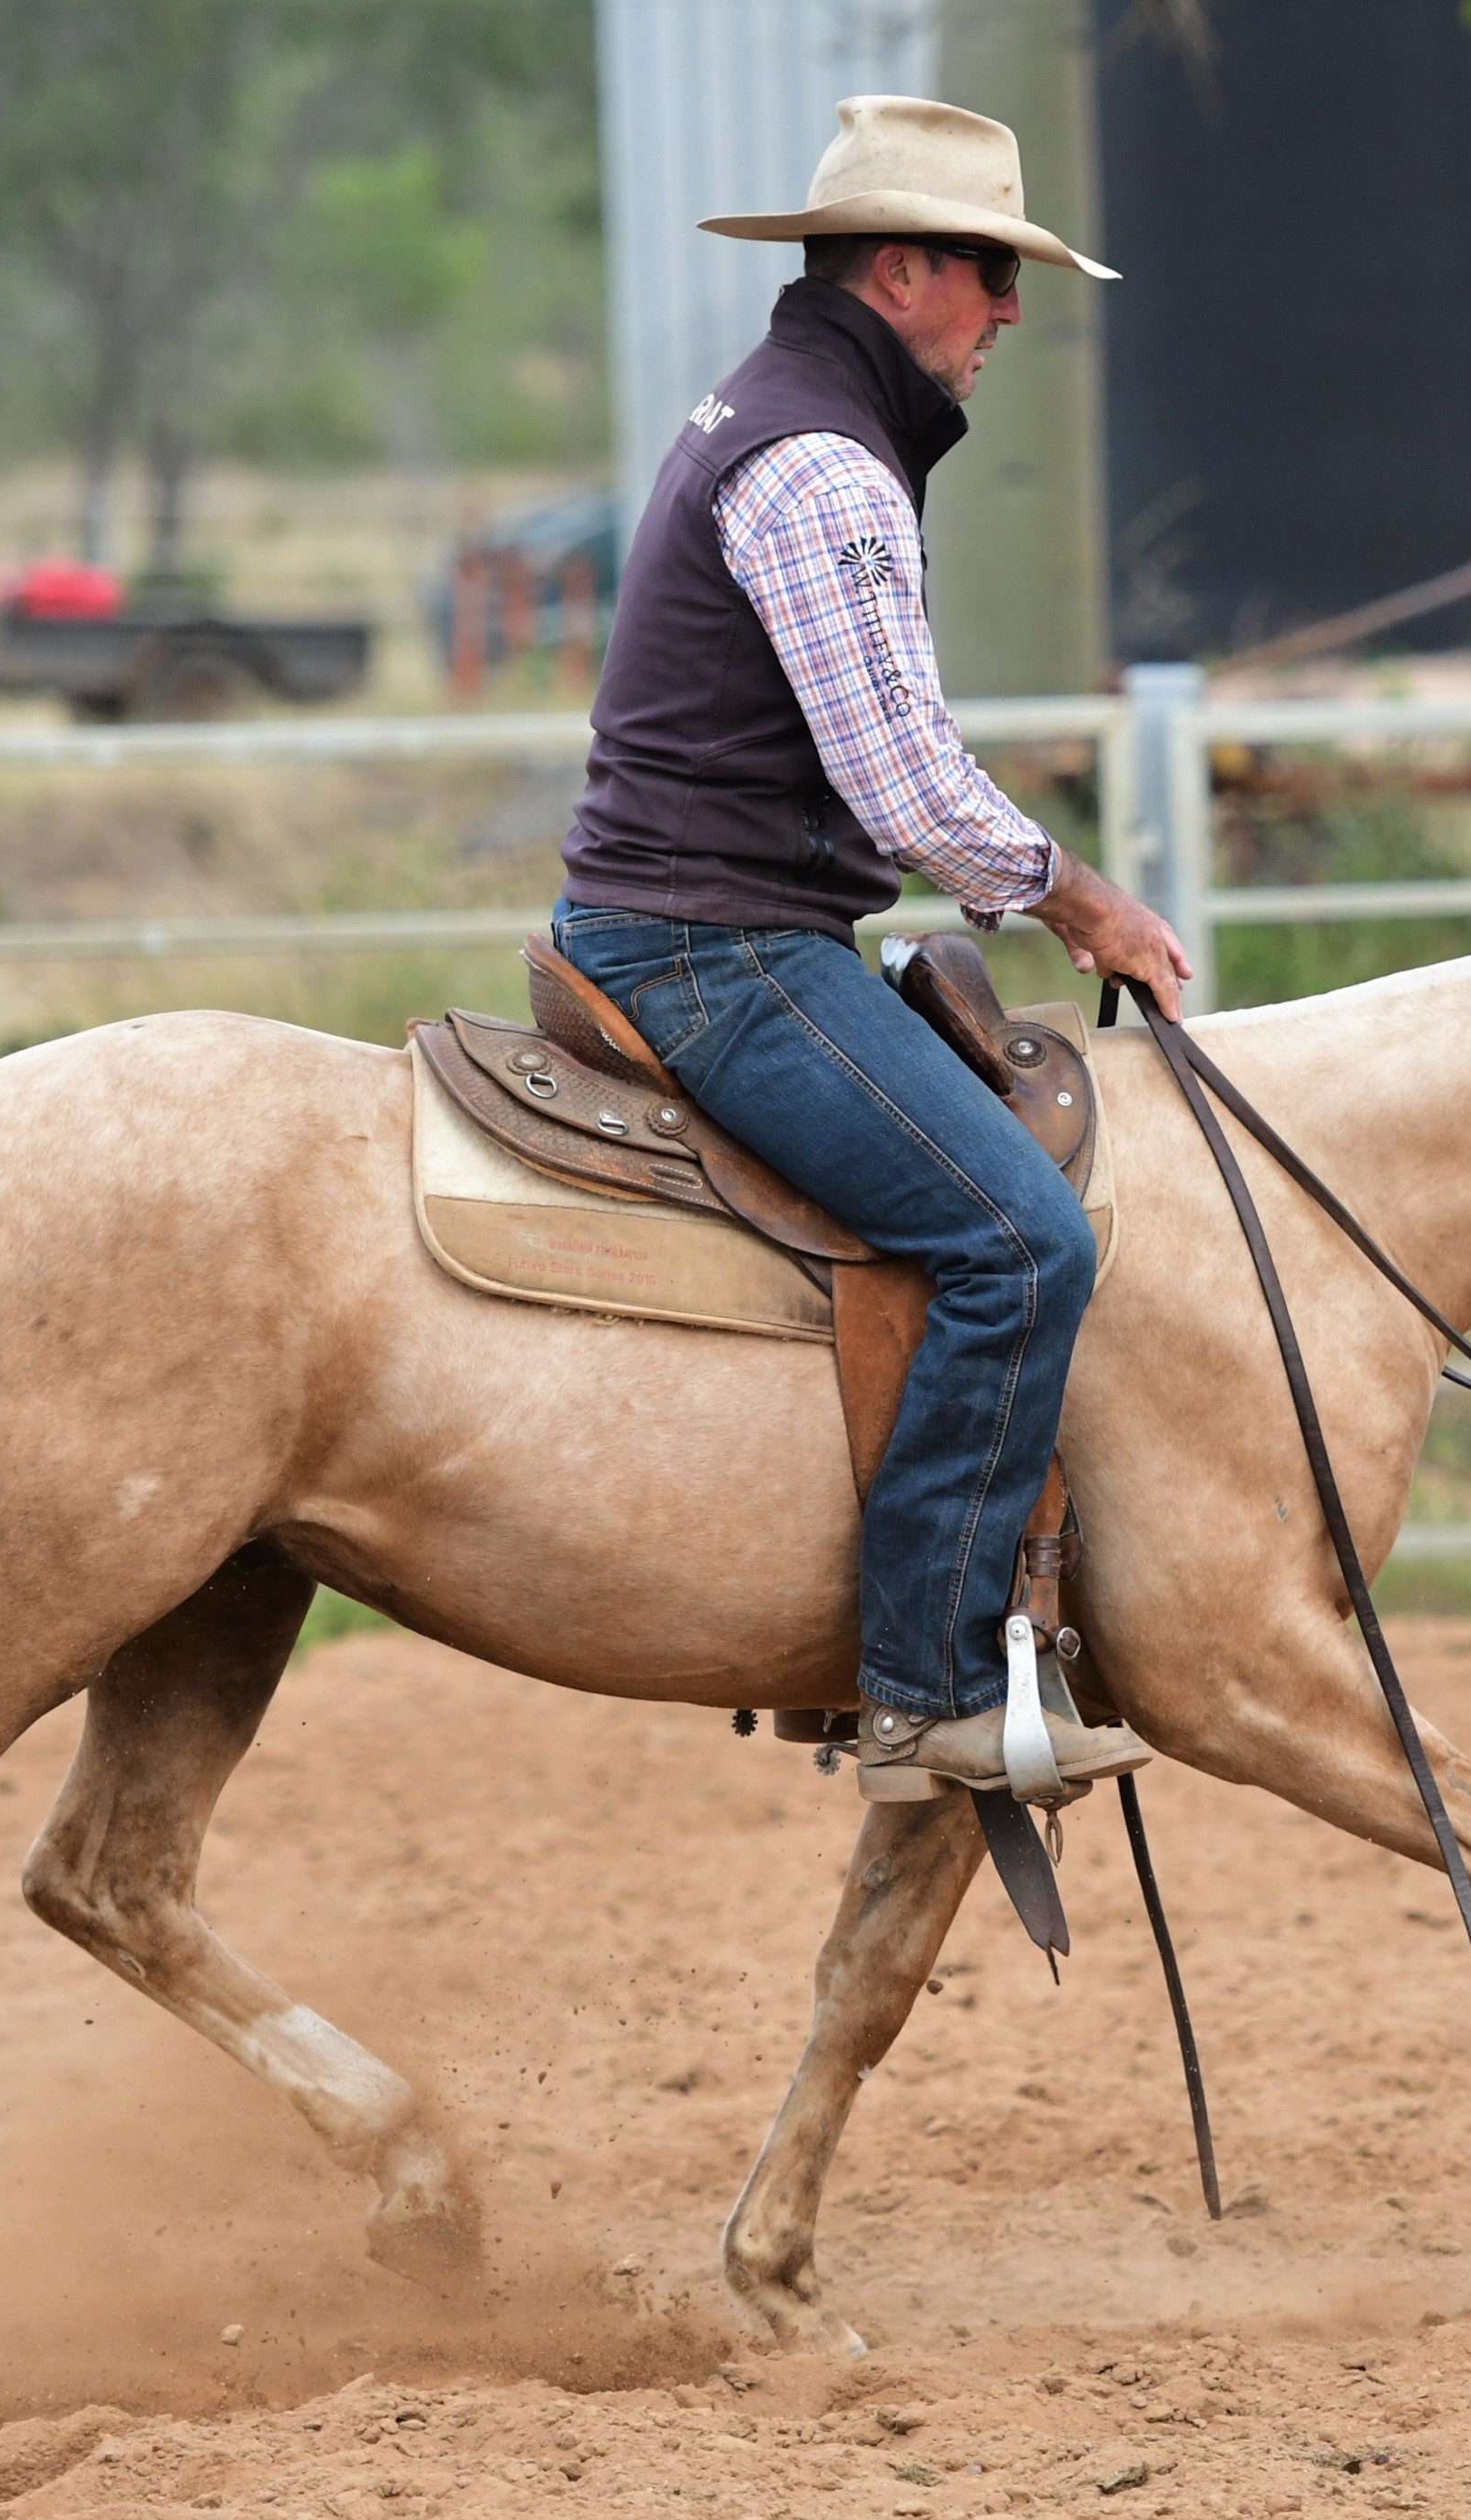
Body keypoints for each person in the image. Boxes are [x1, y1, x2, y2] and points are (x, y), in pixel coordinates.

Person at [551, 96, 1192, 1800]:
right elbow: (904, 783)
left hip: (700, 919)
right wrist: (1083, 899)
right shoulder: (824, 465)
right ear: (899, 272)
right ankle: (925, 1685)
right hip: (718, 946)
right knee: (1019, 1246)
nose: (1010, 311)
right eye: (989, 270)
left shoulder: (776, 417)